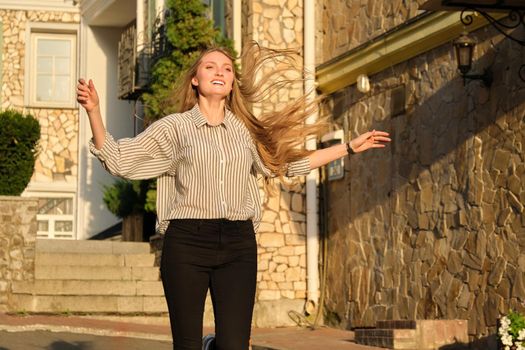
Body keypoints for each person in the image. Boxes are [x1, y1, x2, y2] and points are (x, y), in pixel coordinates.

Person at [76, 42, 390, 350]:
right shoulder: (174, 128)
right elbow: (119, 159)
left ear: (231, 84)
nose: (220, 72)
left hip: (239, 243)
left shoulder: (246, 130)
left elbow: (287, 165)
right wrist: (94, 112)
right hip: (187, 242)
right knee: (186, 344)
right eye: (210, 66)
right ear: (195, 80)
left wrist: (347, 147)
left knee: (235, 345)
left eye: (227, 69)